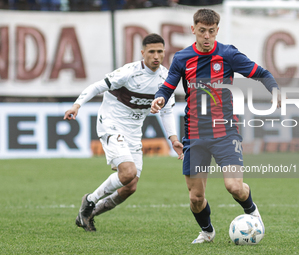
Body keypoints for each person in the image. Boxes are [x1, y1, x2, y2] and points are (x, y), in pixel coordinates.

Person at [151, 9, 281, 243]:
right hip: (195, 134)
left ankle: (252, 213)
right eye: (202, 31)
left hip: (225, 131)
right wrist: (159, 98)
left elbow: (260, 73)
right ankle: (208, 231)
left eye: (211, 31)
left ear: (217, 31)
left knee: (234, 187)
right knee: (195, 198)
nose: (207, 36)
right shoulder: (182, 58)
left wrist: (274, 89)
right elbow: (167, 87)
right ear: (193, 30)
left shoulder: (228, 54)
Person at [64, 33, 183, 232]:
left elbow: (167, 110)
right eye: (151, 51)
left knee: (130, 186)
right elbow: (97, 86)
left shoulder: (166, 78)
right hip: (111, 122)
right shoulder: (129, 72)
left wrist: (173, 139)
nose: (156, 56)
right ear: (143, 52)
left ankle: (88, 214)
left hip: (134, 131)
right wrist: (77, 105)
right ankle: (90, 201)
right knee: (128, 172)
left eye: (160, 52)